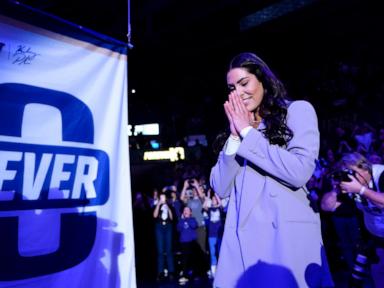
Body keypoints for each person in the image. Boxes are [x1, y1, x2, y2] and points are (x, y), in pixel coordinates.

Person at [210, 52, 334, 288]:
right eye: (232, 88)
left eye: (244, 83)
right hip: (241, 243)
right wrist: (235, 137)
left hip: (283, 240)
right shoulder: (238, 128)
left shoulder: (297, 110)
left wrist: (248, 133)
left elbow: (299, 171)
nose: (238, 92)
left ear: (263, 81)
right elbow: (220, 186)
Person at [337, 152, 384, 287]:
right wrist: (336, 190)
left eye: (352, 172)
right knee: (378, 274)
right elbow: (326, 206)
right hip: (377, 238)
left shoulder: (381, 174)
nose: (350, 177)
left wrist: (361, 190)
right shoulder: (352, 186)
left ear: (364, 168)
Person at [153, 192, 175, 281]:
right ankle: (160, 272)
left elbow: (172, 217)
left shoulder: (169, 205)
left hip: (168, 226)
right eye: (161, 197)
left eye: (164, 197)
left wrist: (168, 207)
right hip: (159, 226)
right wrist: (158, 204)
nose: (163, 199)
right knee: (160, 251)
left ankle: (171, 271)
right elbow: (154, 215)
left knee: (169, 250)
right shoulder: (156, 205)